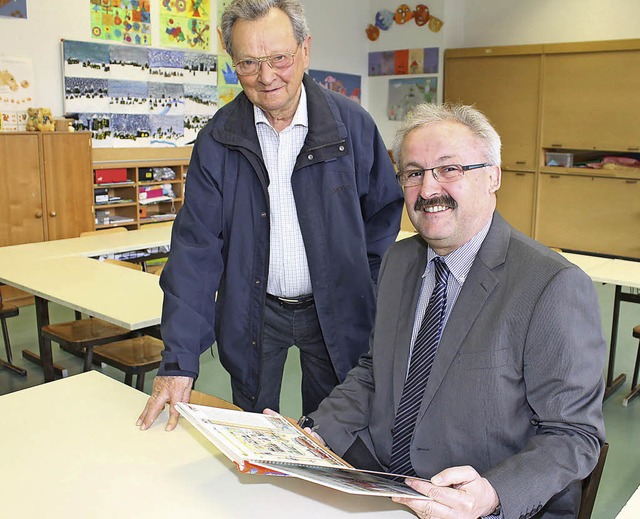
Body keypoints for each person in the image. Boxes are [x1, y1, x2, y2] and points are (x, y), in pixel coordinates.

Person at [307, 103, 606, 518]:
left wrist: (491, 494)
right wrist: (311, 433)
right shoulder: (397, 262)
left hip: (481, 501)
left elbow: (573, 434)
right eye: (413, 173)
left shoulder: (552, 285)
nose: (428, 191)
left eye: (449, 169)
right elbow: (375, 372)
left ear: (492, 176)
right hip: (384, 483)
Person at [137, 0, 403, 431]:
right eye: (248, 63)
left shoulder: (351, 127)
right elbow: (195, 250)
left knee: (333, 428)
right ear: (232, 61)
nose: (266, 77)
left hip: (333, 309)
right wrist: (179, 361)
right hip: (254, 310)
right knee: (251, 429)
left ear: (305, 50)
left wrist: (363, 285)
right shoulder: (218, 140)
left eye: (279, 58)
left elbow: (383, 217)